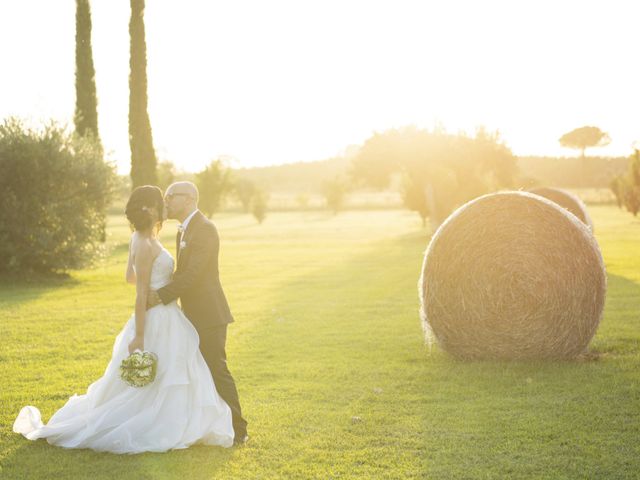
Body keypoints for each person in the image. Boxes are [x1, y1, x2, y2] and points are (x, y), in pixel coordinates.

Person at [13, 185, 234, 453]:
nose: (165, 203)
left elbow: (134, 277)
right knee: (165, 374)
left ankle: (212, 422)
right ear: (150, 208)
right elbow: (139, 289)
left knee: (180, 372)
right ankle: (164, 423)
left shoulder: (149, 237)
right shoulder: (144, 241)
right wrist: (140, 334)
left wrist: (157, 284)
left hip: (173, 314)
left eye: (169, 198)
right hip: (156, 319)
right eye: (161, 200)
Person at [147, 181, 248, 445]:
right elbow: (183, 272)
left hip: (210, 314)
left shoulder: (205, 229)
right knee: (197, 372)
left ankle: (239, 429)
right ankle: (207, 425)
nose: (166, 201)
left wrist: (160, 295)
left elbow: (193, 274)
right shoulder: (184, 230)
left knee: (216, 369)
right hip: (190, 313)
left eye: (171, 196)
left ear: (189, 199)